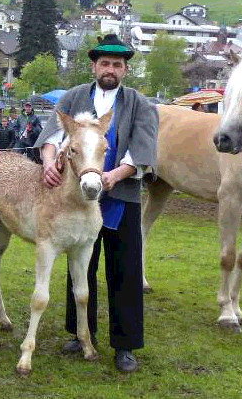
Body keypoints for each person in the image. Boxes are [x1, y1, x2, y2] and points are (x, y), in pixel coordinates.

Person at [33, 33, 158, 373]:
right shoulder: (73, 98)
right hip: (76, 201)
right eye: (105, 63)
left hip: (121, 197)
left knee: (125, 271)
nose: (110, 69)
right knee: (80, 266)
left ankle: (126, 345)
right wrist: (47, 164)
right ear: (94, 65)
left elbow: (142, 151)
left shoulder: (138, 104)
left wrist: (114, 176)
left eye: (117, 65)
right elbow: (51, 138)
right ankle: (80, 333)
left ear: (125, 70)